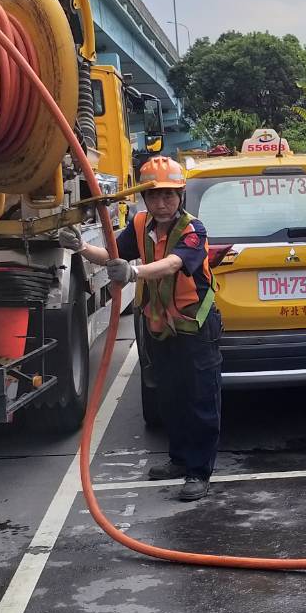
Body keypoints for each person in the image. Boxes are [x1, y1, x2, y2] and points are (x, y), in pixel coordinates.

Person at [61, 155, 221, 502]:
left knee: (199, 399)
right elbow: (112, 254)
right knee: (170, 397)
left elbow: (173, 264)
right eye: (154, 197)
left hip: (195, 327)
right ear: (144, 199)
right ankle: (179, 460)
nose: (162, 204)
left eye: (169, 196)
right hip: (160, 327)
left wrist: (134, 273)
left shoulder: (194, 231)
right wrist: (81, 247)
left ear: (181, 196)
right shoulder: (140, 225)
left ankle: (198, 471)